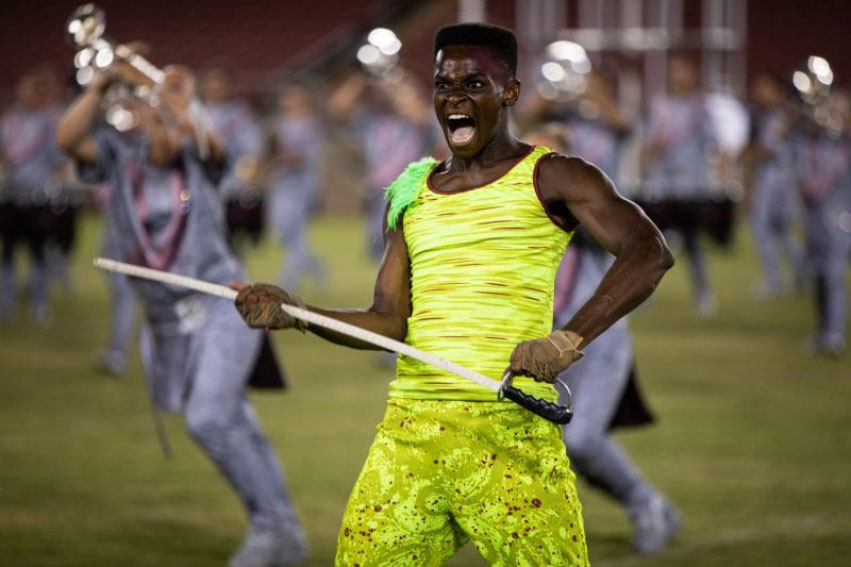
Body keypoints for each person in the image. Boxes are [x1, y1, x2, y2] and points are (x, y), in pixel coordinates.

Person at [233, 24, 674, 566]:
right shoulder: (410, 191)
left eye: (473, 84)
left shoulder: (554, 175)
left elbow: (648, 251)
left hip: (509, 431)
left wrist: (566, 339)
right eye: (444, 85)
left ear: (509, 92)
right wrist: (296, 312)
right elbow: (388, 321)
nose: (455, 99)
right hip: (409, 437)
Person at [56, 60, 307, 567]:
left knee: (209, 418)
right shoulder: (118, 154)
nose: (162, 130)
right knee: (234, 420)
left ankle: (272, 529)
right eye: (152, 120)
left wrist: (175, 100)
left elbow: (211, 142)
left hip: (222, 303)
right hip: (166, 321)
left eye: (168, 122)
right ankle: (284, 532)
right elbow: (67, 138)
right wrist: (102, 81)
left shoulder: (197, 157)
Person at [528, 122, 682, 555]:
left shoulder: (583, 206)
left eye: (550, 160)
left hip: (597, 341)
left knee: (581, 440)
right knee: (558, 447)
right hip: (542, 348)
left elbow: (639, 245)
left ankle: (647, 503)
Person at [328, 69, 442, 262]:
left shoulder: (422, 117)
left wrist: (392, 82)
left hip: (410, 193)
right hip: (378, 193)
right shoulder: (373, 119)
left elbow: (417, 111)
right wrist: (360, 76)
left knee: (409, 252)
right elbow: (338, 107)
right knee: (381, 253)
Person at [641, 55, 719, 316]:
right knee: (653, 244)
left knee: (693, 242)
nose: (678, 78)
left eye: (683, 72)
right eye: (675, 72)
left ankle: (703, 293)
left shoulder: (701, 108)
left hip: (690, 186)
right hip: (663, 185)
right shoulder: (660, 105)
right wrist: (646, 169)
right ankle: (643, 296)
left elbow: (712, 143)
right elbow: (649, 142)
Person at [0, 66, 67, 325]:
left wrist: (54, 187)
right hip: (12, 194)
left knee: (38, 251)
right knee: (7, 251)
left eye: (27, 90)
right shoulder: (12, 120)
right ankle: (6, 304)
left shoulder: (52, 123)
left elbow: (59, 160)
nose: (22, 95)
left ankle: (40, 303)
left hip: (39, 196)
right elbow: (5, 154)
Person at [790, 90, 851, 356]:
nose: (834, 114)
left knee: (834, 274)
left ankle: (835, 334)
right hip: (816, 218)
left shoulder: (846, 143)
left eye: (840, 109)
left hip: (843, 217)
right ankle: (824, 330)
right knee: (819, 277)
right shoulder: (814, 141)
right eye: (831, 109)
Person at [747, 71, 805, 299]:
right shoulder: (773, 115)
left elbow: (771, 151)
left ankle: (774, 280)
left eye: (764, 88)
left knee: (761, 227)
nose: (758, 93)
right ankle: (800, 277)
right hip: (780, 178)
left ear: (776, 91)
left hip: (777, 179)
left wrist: (755, 152)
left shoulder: (783, 116)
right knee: (781, 231)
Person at [200, 64, 265, 255]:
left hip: (228, 188)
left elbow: (251, 151)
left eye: (221, 84)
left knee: (227, 243)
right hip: (199, 187)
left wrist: (245, 177)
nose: (216, 88)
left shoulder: (240, 114)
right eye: (212, 83)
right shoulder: (196, 112)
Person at [266, 85, 326, 290]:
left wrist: (288, 158)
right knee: (280, 230)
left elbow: (310, 156)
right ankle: (317, 266)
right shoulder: (277, 124)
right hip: (281, 183)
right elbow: (269, 151)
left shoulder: (311, 125)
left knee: (297, 233)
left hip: (301, 185)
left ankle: (287, 281)